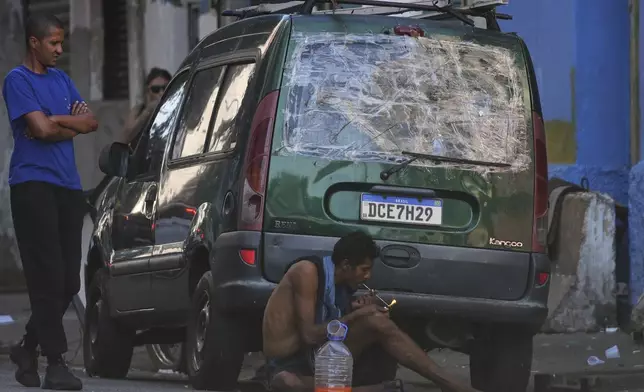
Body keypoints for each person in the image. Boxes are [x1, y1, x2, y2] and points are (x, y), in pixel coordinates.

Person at [2, 13, 98, 390]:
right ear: (34, 42)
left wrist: (53, 121)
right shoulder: (17, 80)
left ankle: (26, 347)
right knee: (46, 277)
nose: (60, 49)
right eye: (53, 43)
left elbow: (89, 122)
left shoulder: (61, 79)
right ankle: (55, 362)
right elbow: (38, 131)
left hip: (67, 187)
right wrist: (62, 125)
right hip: (32, 186)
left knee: (68, 280)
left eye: (61, 43)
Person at [262, 231, 481, 392]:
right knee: (287, 383)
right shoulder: (307, 272)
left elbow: (333, 326)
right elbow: (309, 335)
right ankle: (374, 389)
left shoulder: (340, 285)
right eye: (364, 270)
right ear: (346, 265)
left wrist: (357, 310)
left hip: (317, 358)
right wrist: (356, 315)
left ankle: (448, 384)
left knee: (377, 321)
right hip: (289, 362)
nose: (367, 277)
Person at [120, 67, 172, 146]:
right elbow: (126, 138)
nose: (161, 93)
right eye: (155, 89)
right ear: (148, 92)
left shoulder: (176, 109)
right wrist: (148, 111)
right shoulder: (139, 110)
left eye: (165, 88)